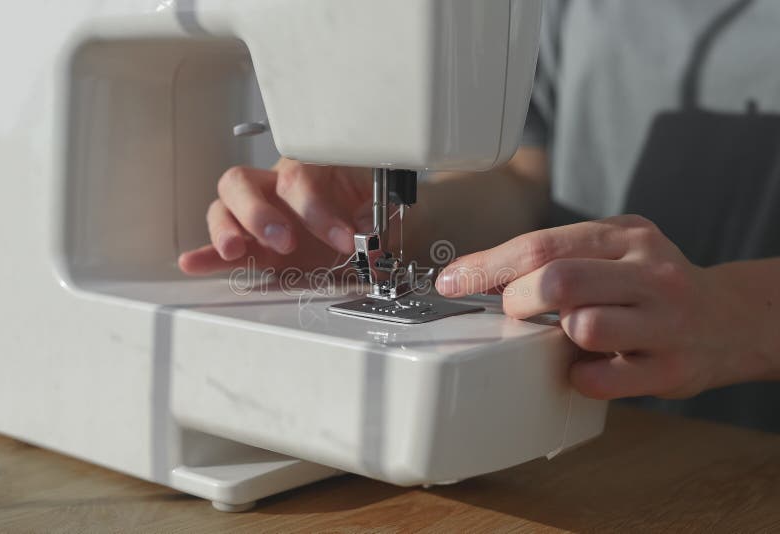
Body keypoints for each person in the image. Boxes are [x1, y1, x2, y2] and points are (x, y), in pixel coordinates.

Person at [179, 0, 780, 432]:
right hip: (594, 449)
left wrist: (735, 312)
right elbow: (528, 181)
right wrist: (369, 229)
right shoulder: (568, 10)